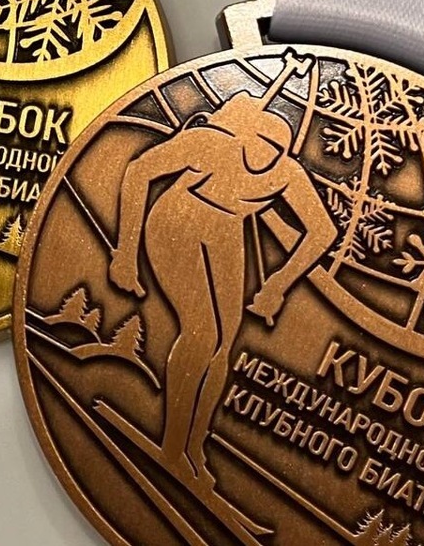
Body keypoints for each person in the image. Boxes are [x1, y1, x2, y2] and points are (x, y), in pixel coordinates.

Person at [109, 91, 338, 486]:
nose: (265, 155)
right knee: (201, 334)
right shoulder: (209, 144)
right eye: (260, 143)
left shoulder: (286, 174)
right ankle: (171, 446)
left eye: (276, 149)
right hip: (178, 219)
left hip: (227, 231)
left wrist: (279, 284)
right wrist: (125, 253)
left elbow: (323, 231)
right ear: (244, 134)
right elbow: (140, 171)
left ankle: (194, 448)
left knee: (223, 347)